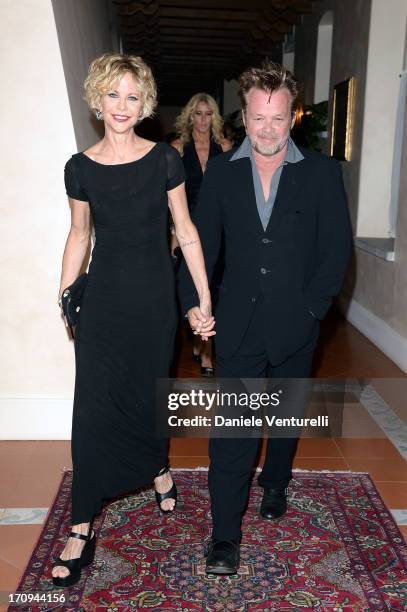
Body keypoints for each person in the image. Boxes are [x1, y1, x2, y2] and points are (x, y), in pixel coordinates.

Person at [178, 61, 352, 574]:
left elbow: (336, 252)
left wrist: (311, 311)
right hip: (240, 324)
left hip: (298, 324)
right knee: (234, 430)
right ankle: (224, 536)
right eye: (258, 119)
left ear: (292, 116)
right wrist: (194, 299)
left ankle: (275, 482)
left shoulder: (321, 173)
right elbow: (200, 248)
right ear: (245, 115)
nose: (268, 130)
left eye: (278, 119)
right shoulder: (223, 173)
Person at [52, 53, 215, 588]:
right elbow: (80, 235)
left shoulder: (164, 161)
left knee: (147, 393)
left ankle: (157, 466)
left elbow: (185, 230)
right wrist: (64, 294)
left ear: (143, 103)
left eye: (131, 96)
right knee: (93, 404)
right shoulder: (79, 167)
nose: (121, 106)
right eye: (112, 94)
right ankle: (81, 522)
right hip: (101, 300)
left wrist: (204, 299)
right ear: (97, 98)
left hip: (152, 302)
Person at [171, 94, 231, 376]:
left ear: (214, 117)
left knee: (214, 288)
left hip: (220, 229)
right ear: (190, 117)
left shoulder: (226, 148)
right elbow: (168, 198)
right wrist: (173, 231)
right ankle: (205, 353)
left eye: (209, 114)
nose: (203, 120)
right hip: (189, 228)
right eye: (198, 114)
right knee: (194, 287)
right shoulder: (177, 150)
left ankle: (202, 344)